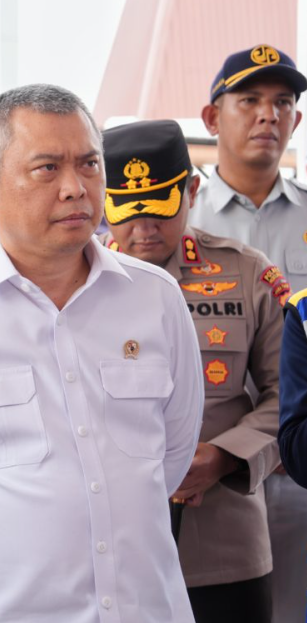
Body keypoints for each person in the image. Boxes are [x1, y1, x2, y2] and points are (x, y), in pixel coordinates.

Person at [0, 84, 204, 621]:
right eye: (47, 168)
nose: (75, 188)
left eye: (89, 164)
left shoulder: (157, 299)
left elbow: (172, 453)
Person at [101, 119, 284, 622]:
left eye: (160, 208)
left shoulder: (246, 273)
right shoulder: (74, 282)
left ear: (192, 190)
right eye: (127, 211)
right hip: (109, 554)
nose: (144, 228)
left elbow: (290, 395)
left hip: (224, 548)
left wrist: (224, 456)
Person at [189, 44, 307, 622]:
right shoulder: (178, 222)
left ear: (297, 120)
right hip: (213, 474)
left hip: (299, 470)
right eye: (251, 100)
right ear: (212, 117)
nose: (268, 115)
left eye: (283, 103)